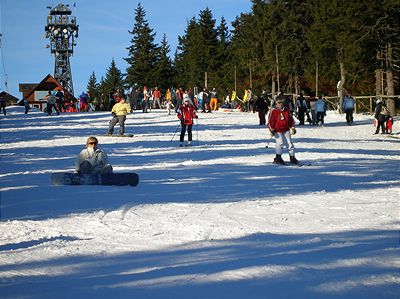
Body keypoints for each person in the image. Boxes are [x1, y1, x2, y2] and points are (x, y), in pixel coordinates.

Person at [268, 95, 298, 164]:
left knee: (289, 143)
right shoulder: (274, 111)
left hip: (286, 129)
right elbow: (270, 121)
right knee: (280, 142)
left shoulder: (286, 110)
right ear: (276, 103)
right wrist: (271, 129)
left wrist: (292, 127)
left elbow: (290, 120)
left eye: (282, 102)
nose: (280, 104)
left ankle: (292, 156)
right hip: (277, 130)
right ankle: (278, 157)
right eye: (279, 102)